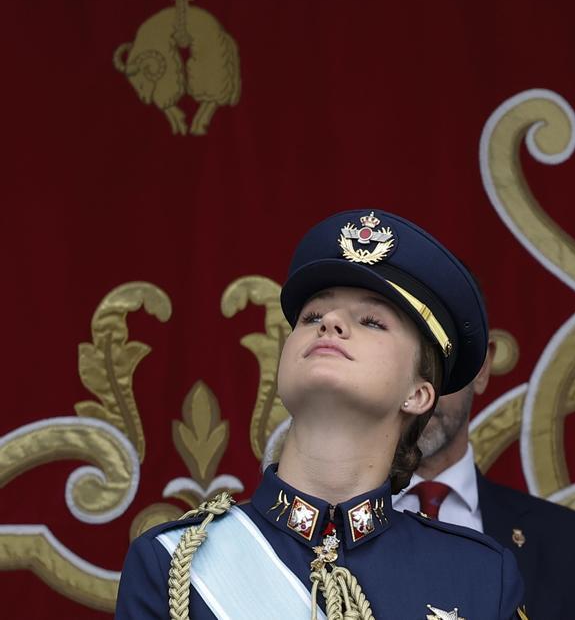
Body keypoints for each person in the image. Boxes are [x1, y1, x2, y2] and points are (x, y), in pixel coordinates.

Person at [116, 209, 527, 619]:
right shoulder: (173, 564)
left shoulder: (480, 577)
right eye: (313, 317)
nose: (330, 322)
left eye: (371, 321)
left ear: (419, 395)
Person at [394, 333, 575, 619]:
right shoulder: (326, 528)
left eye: (438, 355)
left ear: (481, 368)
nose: (420, 387)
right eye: (399, 356)